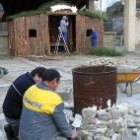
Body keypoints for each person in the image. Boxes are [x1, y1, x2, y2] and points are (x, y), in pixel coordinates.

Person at [20, 68, 78, 140]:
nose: (58, 85)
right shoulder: (54, 98)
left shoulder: (30, 89)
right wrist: (71, 134)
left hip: (23, 134)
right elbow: (62, 123)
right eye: (58, 82)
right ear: (53, 82)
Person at [2, 67, 47, 140]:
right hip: (13, 117)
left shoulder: (26, 76)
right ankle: (15, 132)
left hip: (9, 111)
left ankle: (10, 128)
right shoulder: (29, 86)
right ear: (37, 75)